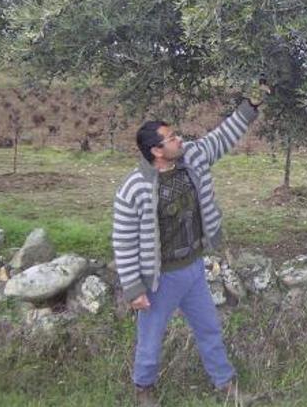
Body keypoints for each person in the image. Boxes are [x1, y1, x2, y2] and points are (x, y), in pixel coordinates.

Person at [111, 84, 269, 406]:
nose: (178, 139)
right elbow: (124, 241)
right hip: (160, 280)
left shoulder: (193, 157)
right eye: (171, 138)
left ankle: (226, 386)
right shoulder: (134, 188)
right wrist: (133, 288)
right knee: (150, 341)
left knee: (210, 329)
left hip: (194, 269)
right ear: (156, 151)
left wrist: (250, 105)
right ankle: (144, 390)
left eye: (175, 135)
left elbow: (223, 136)